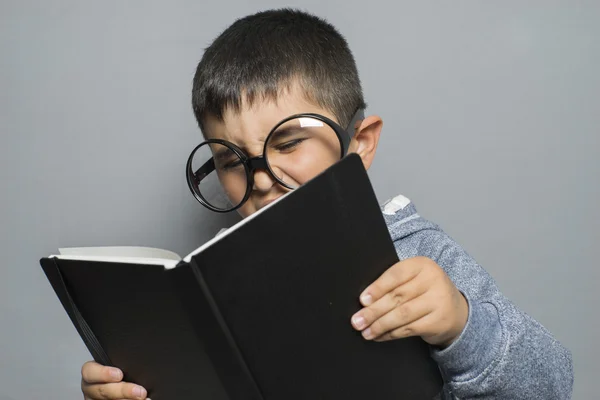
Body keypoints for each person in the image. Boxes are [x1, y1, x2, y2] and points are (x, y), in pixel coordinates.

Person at [80, 9, 573, 400]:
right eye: (231, 161)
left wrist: (461, 326)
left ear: (359, 144)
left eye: (290, 143)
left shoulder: (416, 255)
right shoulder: (210, 287)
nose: (262, 181)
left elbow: (552, 385)